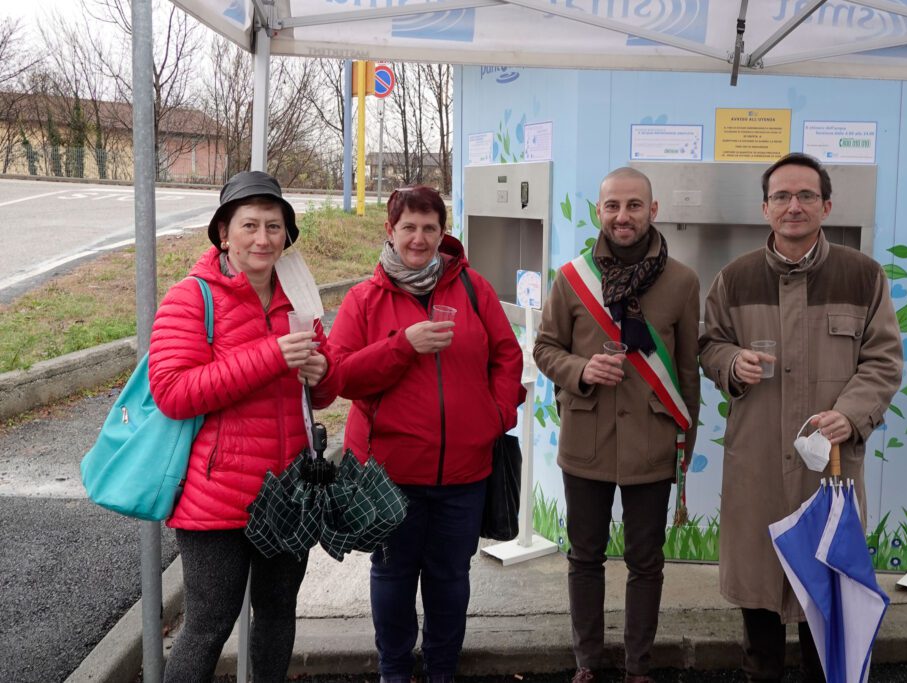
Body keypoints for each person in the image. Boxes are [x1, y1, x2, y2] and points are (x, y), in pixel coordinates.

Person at [699, 152, 903, 682]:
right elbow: (709, 346)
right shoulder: (734, 279)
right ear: (764, 208)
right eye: (782, 197)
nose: (794, 206)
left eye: (806, 196)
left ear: (827, 205)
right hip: (758, 466)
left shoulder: (863, 276)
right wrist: (731, 364)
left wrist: (851, 414)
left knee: (826, 605)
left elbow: (883, 360)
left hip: (829, 473)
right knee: (761, 611)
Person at [319, 185, 524, 683]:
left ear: (442, 232)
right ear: (390, 231)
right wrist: (401, 346)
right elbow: (340, 375)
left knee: (450, 579)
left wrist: (494, 418)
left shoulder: (473, 288)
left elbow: (507, 356)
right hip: (390, 474)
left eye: (429, 227)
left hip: (464, 472)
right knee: (392, 577)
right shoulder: (365, 301)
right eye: (408, 227)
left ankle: (441, 670)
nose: (419, 237)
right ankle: (393, 670)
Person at [150, 171, 332, 682]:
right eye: (249, 225)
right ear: (223, 232)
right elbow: (173, 392)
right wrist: (269, 355)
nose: (263, 238)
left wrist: (322, 373)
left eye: (274, 226)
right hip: (217, 496)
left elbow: (320, 389)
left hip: (290, 488)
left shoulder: (299, 292)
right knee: (208, 626)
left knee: (277, 615)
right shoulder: (192, 297)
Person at [532, 167, 701, 683]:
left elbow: (689, 370)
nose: (622, 216)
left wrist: (685, 445)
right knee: (585, 557)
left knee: (645, 562)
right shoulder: (571, 277)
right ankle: (587, 662)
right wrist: (580, 369)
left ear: (653, 211)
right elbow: (543, 349)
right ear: (599, 212)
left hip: (652, 441)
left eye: (633, 206)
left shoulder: (683, 282)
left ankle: (637, 667)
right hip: (587, 440)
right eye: (612, 206)